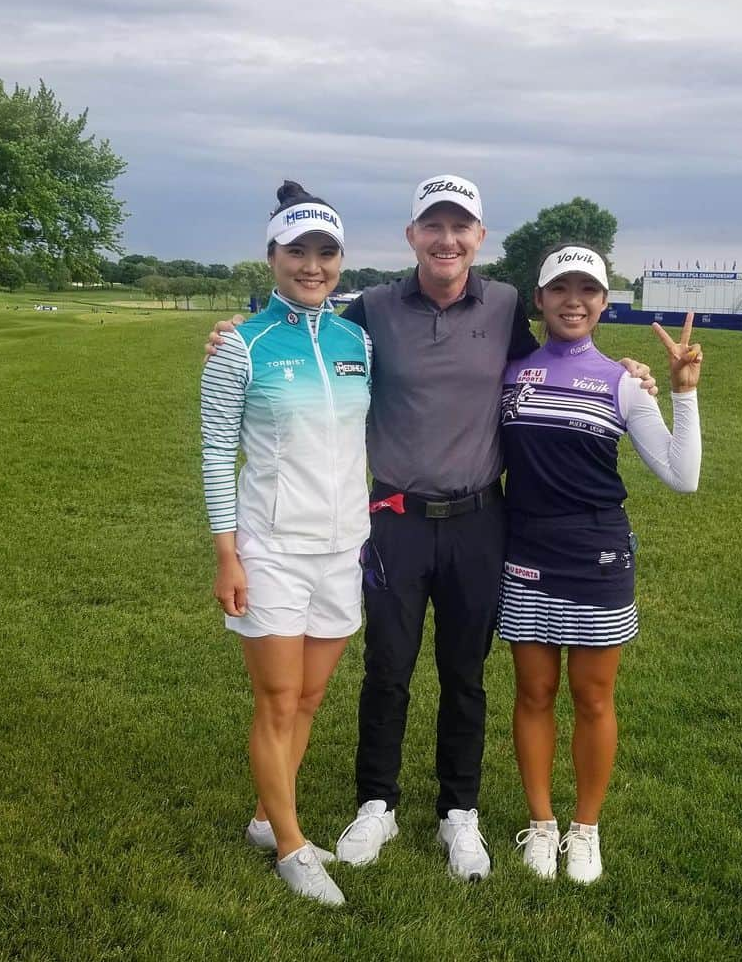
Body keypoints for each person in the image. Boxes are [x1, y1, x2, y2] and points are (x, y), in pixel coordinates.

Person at [207, 174, 656, 882]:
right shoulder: (374, 309)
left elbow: (560, 354)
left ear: (479, 238)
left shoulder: (506, 303)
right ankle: (376, 802)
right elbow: (307, 325)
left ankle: (460, 813)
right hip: (393, 519)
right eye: (433, 227)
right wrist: (238, 332)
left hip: (481, 518)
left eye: (461, 228)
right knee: (386, 670)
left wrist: (630, 369)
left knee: (463, 673)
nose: (447, 240)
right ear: (413, 235)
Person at [499, 243, 702, 884]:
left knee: (593, 698)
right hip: (524, 549)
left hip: (597, 554)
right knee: (533, 693)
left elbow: (682, 475)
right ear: (539, 299)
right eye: (561, 289)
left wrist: (682, 393)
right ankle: (540, 825)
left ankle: (584, 831)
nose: (574, 301)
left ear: (604, 304)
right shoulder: (507, 373)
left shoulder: (621, 379)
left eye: (588, 291)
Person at [200, 180, 372, 907]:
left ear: (340, 260)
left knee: (310, 693)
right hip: (269, 548)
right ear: (271, 256)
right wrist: (226, 552)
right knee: (276, 699)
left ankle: (272, 820)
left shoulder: (356, 340)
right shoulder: (240, 345)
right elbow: (214, 450)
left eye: (325, 252)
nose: (312, 265)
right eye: (297, 250)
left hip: (343, 549)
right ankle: (294, 847)